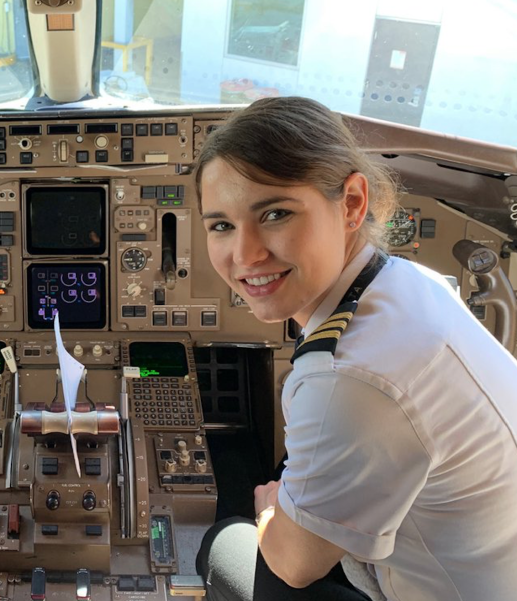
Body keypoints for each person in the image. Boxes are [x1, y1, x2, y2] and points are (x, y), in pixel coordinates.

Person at [193, 97, 517, 601]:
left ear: (351, 204)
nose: (245, 255)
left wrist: (269, 510)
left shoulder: (350, 374)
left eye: (275, 213)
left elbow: (295, 563)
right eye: (222, 225)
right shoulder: (410, 281)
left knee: (223, 543)